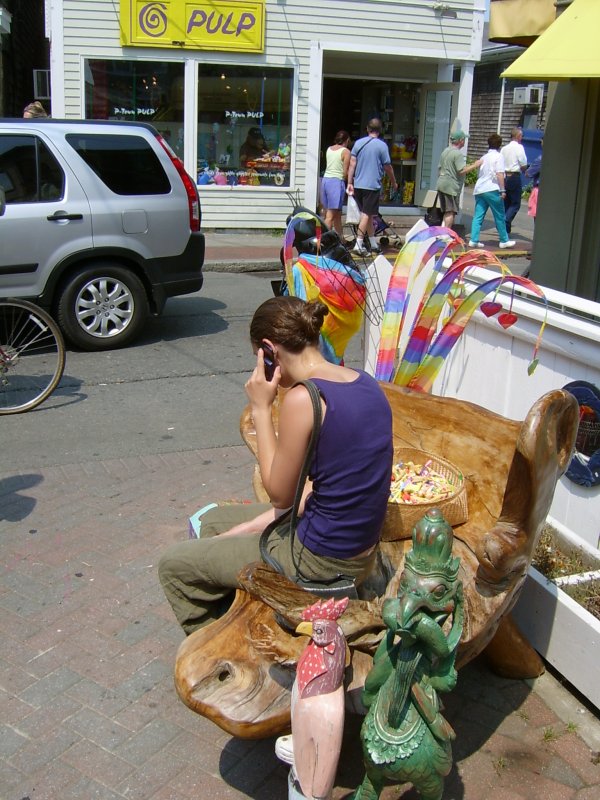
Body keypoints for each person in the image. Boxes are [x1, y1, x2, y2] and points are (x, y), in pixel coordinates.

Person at [158, 296, 393, 635]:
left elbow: (280, 495)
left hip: (320, 560)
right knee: (213, 523)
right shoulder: (363, 382)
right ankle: (242, 610)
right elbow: (323, 486)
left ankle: (220, 644)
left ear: (268, 351)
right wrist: (250, 525)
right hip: (356, 548)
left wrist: (261, 408)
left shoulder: (304, 398)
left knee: (172, 566)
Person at [346, 118, 398, 256]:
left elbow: (352, 163)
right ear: (380, 131)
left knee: (369, 215)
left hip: (358, 184)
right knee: (366, 215)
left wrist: (349, 182)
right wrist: (393, 182)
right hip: (372, 185)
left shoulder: (358, 143)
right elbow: (387, 167)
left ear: (367, 129)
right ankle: (358, 244)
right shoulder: (382, 146)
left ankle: (373, 243)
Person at [468, 133, 516, 250]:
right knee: (499, 215)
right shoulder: (499, 157)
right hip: (492, 188)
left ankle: (473, 239)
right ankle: (504, 240)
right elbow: (499, 174)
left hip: (480, 189)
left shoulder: (484, 157)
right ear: (499, 145)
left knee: (478, 216)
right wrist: (502, 190)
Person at [435, 130, 481, 229]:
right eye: (464, 139)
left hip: (441, 183)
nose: (464, 141)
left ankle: (443, 232)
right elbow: (461, 170)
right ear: (461, 140)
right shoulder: (457, 154)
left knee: (446, 211)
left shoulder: (445, 151)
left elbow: (440, 168)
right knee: (450, 212)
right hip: (451, 186)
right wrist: (475, 165)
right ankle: (445, 235)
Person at [320, 130, 351, 238]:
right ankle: (324, 241)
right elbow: (345, 171)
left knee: (336, 214)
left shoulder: (329, 149)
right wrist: (351, 182)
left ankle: (340, 239)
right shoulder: (346, 151)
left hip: (325, 181)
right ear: (347, 140)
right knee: (330, 216)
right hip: (336, 182)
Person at [501, 127, 528, 235]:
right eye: (521, 136)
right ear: (518, 136)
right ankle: (506, 220)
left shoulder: (504, 148)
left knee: (506, 203)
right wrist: (525, 170)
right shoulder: (519, 147)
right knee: (515, 203)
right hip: (514, 176)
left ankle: (505, 232)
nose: (522, 138)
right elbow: (523, 163)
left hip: (504, 176)